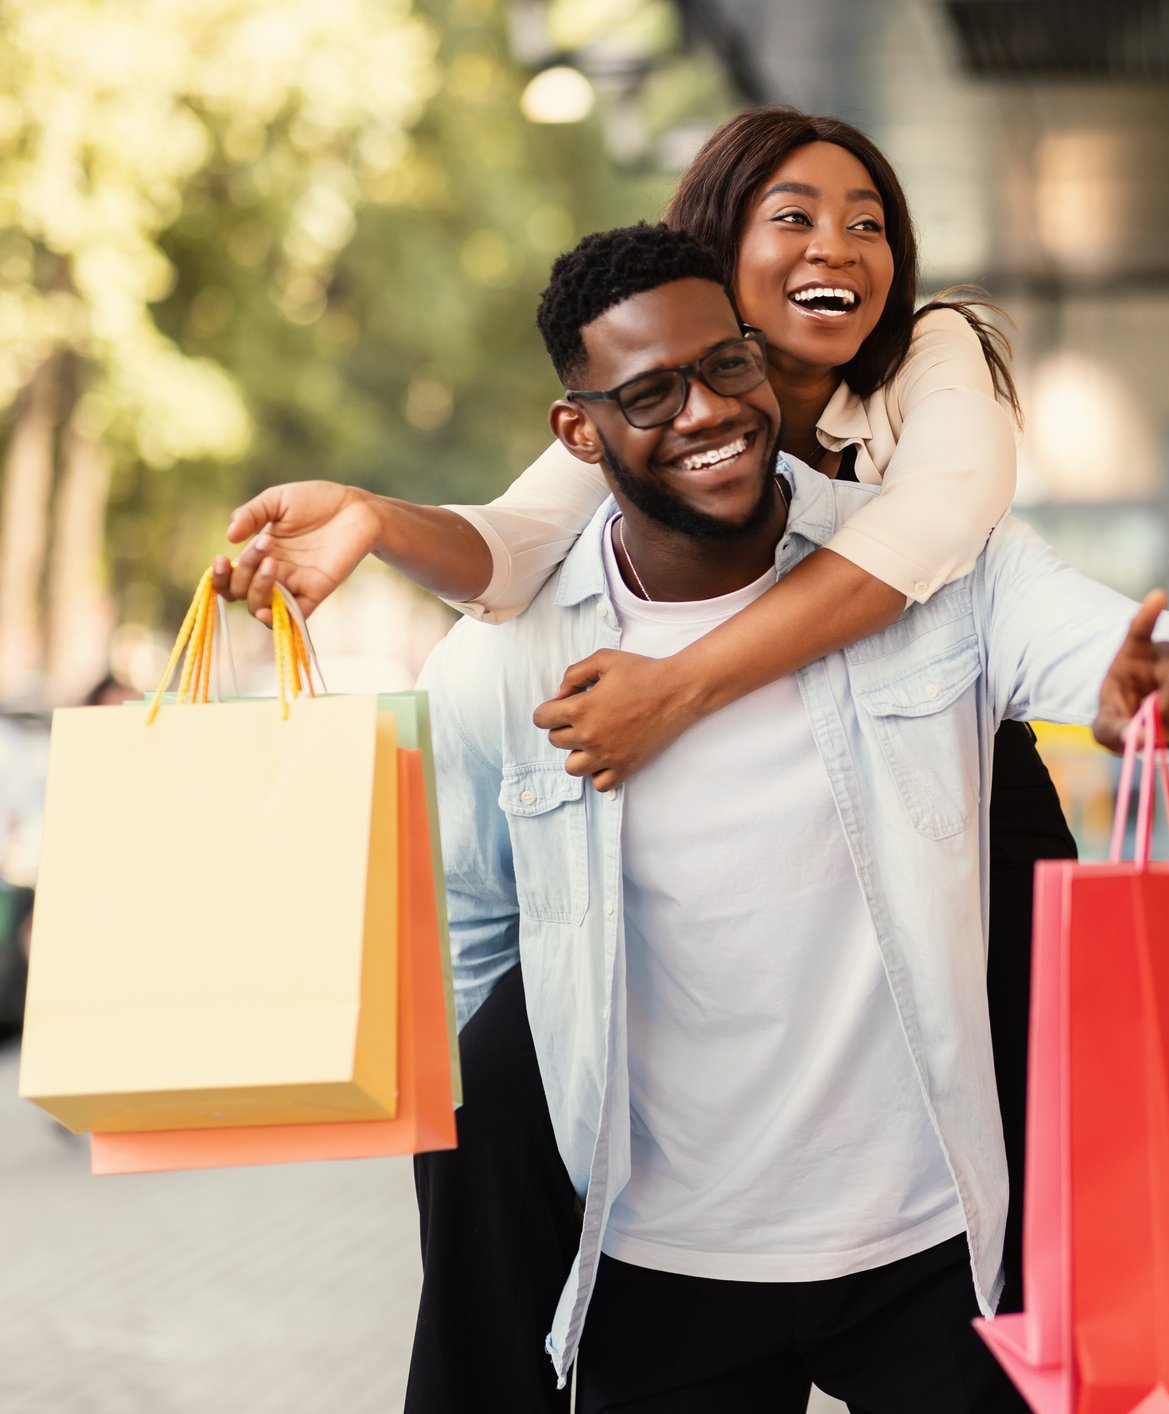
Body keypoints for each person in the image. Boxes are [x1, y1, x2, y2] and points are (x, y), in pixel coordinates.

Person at [209, 108, 1075, 1407]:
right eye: (793, 216)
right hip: (677, 832)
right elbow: (515, 547)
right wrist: (373, 518)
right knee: (489, 1077)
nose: (841, 245)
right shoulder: (662, 383)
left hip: (950, 800)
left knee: (1027, 1160)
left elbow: (936, 526)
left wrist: (675, 689)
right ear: (711, 250)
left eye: (867, 220)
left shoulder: (935, 349)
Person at [425, 221, 1169, 1408]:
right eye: (652, 392)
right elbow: (474, 954)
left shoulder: (931, 568)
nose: (708, 410)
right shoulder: (500, 669)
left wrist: (1161, 683)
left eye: (728, 366)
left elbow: (1118, 650)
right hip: (660, 1262)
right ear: (579, 429)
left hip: (928, 1244)